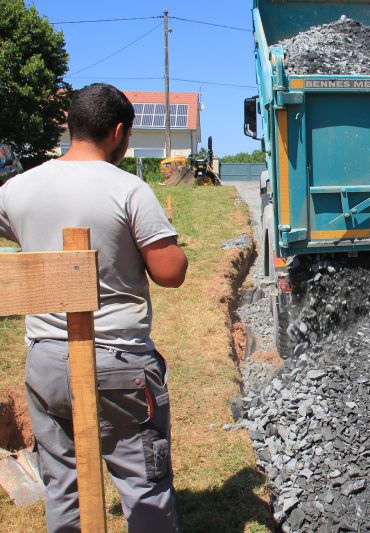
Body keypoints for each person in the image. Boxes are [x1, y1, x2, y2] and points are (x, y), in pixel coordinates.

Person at [0, 84, 188, 532]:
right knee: (143, 479)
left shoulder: (17, 188)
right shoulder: (128, 188)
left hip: (46, 360)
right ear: (119, 133)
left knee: (63, 481)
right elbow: (170, 272)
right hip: (117, 363)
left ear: (71, 125)